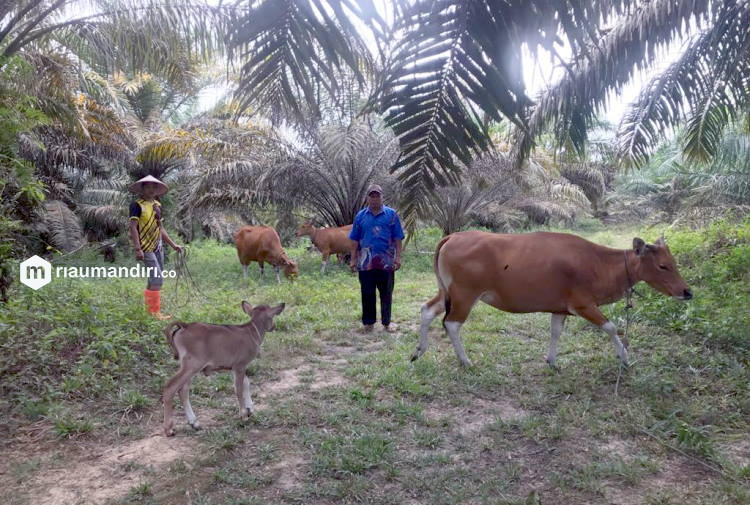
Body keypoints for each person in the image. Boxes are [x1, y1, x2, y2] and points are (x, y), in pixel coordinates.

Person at [349, 184, 405, 333]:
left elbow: (398, 238)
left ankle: (387, 323)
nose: (374, 199)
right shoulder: (360, 216)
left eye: (377, 195)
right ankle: (369, 323)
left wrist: (398, 258)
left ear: (382, 197)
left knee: (386, 293)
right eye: (371, 196)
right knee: (367, 292)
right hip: (365, 263)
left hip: (386, 263)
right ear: (367, 198)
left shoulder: (391, 215)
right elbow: (354, 239)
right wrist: (353, 259)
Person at [128, 175, 182, 320]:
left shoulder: (157, 206)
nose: (151, 190)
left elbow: (161, 228)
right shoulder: (137, 205)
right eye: (148, 187)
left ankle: (149, 312)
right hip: (145, 248)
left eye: (154, 187)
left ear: (157, 190)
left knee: (153, 280)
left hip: (157, 247)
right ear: (142, 188)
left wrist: (173, 244)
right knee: (157, 279)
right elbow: (133, 227)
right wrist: (137, 248)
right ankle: (155, 313)